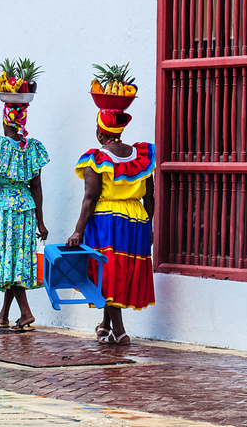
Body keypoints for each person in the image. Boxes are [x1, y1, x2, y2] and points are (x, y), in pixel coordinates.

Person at [66, 109, 155, 345]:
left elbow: (90, 196)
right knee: (120, 270)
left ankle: (119, 330)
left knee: (107, 273)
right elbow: (151, 195)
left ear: (99, 132)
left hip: (107, 219)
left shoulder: (96, 158)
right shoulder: (142, 156)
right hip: (137, 218)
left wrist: (78, 230)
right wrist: (150, 225)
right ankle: (105, 325)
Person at [0, 103, 49, 331]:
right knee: (15, 259)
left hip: (5, 208)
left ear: (6, 120)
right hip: (26, 208)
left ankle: (25, 313)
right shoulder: (32, 148)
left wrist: (0, 176)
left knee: (9, 259)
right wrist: (40, 221)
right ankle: (4, 314)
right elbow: (36, 186)